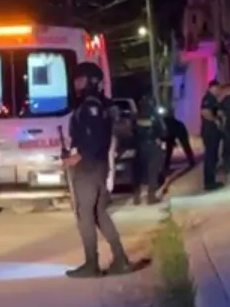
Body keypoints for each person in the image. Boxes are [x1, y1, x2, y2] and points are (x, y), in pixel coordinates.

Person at [63, 62, 132, 278]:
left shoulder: (91, 106)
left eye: (80, 79)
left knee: (84, 215)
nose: (76, 83)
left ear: (91, 81)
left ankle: (91, 264)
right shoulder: (96, 104)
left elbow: (95, 139)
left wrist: (77, 156)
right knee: (99, 213)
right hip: (98, 167)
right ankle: (120, 260)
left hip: (89, 168)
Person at [131, 94, 166, 205]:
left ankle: (136, 198)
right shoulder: (155, 116)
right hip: (152, 146)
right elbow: (163, 131)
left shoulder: (135, 117)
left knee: (140, 172)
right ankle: (151, 197)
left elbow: (132, 132)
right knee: (153, 172)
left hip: (139, 147)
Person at [200, 80, 223, 191]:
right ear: (212, 88)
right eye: (218, 88)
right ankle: (209, 183)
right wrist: (215, 121)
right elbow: (205, 112)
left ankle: (211, 181)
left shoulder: (213, 99)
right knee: (210, 157)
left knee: (213, 157)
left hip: (213, 132)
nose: (219, 91)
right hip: (210, 132)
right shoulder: (208, 98)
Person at [161, 107, 195, 177]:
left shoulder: (167, 122)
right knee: (169, 148)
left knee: (183, 146)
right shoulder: (165, 122)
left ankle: (191, 160)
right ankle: (166, 165)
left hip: (178, 130)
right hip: (172, 132)